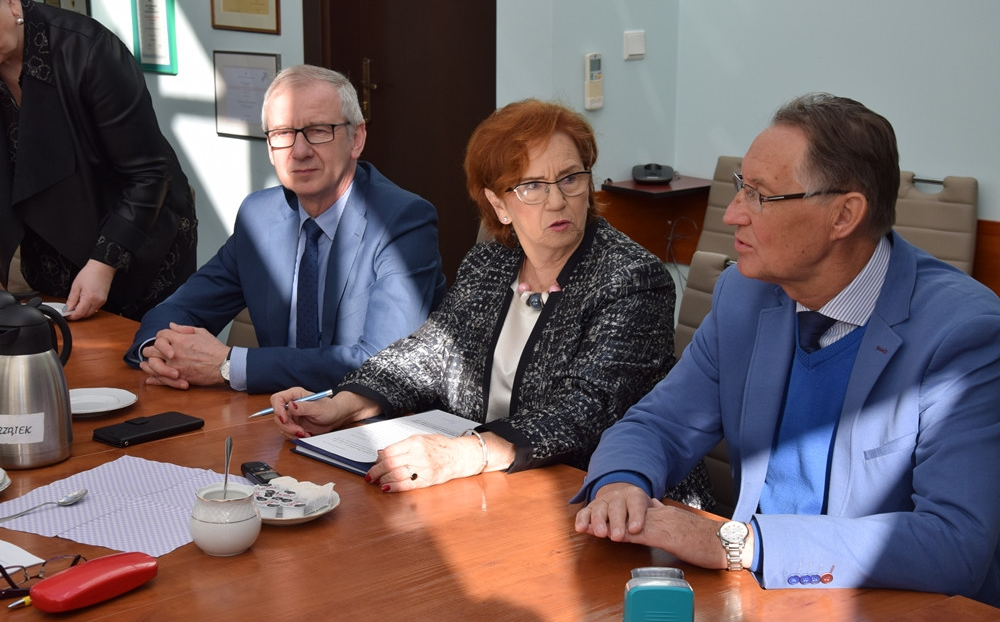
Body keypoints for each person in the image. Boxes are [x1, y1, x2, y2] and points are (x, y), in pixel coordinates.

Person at [573, 93, 1000, 605]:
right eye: (741, 187)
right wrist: (622, 483)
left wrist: (741, 544)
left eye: (760, 196)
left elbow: (954, 542)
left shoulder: (964, 334)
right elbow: (659, 424)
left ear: (843, 215)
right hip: (752, 597)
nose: (733, 213)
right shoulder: (744, 294)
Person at [269, 99, 715, 504]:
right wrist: (342, 403)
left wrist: (466, 453)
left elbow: (584, 411)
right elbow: (429, 353)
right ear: (498, 205)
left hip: (610, 502)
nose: (557, 201)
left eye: (570, 179)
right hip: (496, 494)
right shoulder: (490, 262)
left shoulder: (632, 279)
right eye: (532, 186)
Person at [124, 65, 446, 395]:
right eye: (282, 133)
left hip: (369, 418)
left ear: (357, 139)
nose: (300, 151)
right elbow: (178, 309)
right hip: (274, 411)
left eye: (318, 130)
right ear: (269, 147)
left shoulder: (402, 222)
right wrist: (160, 353)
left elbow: (382, 365)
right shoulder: (259, 217)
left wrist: (229, 365)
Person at [0, 0, 196, 320]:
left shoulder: (88, 50)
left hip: (140, 248)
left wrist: (103, 264)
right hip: (51, 259)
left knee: (143, 350)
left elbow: (149, 175)